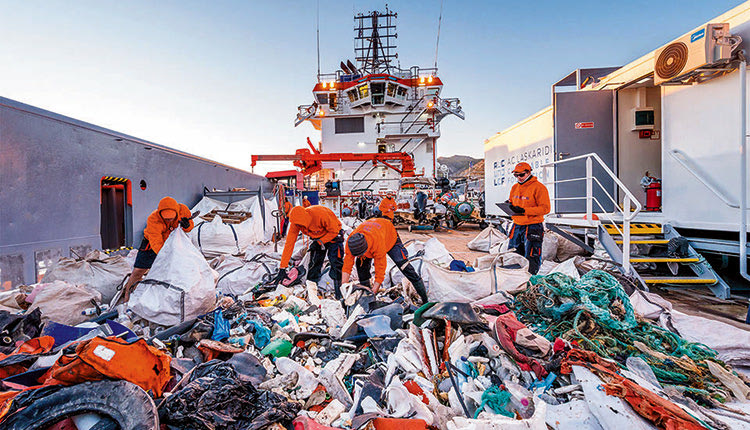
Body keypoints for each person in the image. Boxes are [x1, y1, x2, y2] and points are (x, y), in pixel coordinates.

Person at [123, 196, 194, 301]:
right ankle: (127, 296)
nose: (169, 220)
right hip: (151, 244)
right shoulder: (153, 219)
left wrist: (187, 225)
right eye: (166, 218)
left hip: (174, 241)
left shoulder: (183, 210)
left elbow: (189, 228)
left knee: (177, 270)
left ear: (177, 212)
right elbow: (156, 243)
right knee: (138, 271)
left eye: (171, 218)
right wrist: (167, 257)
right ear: (160, 214)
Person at [341, 218, 428, 303]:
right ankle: (366, 296)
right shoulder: (352, 242)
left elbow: (380, 271)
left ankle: (424, 299)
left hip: (389, 235)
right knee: (361, 266)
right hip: (373, 230)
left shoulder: (378, 245)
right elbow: (347, 266)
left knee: (404, 265)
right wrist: (344, 289)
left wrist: (373, 292)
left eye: (362, 254)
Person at [276, 206, 345, 298]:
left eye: (302, 225)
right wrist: (282, 267)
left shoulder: (321, 214)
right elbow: (289, 244)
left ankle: (339, 293)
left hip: (334, 236)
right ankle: (312, 292)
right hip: (317, 238)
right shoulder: (296, 223)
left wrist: (320, 242)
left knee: (336, 263)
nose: (300, 227)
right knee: (314, 264)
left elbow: (334, 231)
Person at [505, 162, 550, 275]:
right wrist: (509, 205)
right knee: (513, 254)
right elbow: (512, 201)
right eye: (516, 175)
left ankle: (529, 281)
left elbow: (545, 209)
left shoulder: (539, 188)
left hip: (533, 226)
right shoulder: (515, 187)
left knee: (531, 256)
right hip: (517, 225)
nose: (519, 178)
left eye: (521, 175)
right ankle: (513, 279)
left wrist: (525, 211)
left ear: (529, 173)